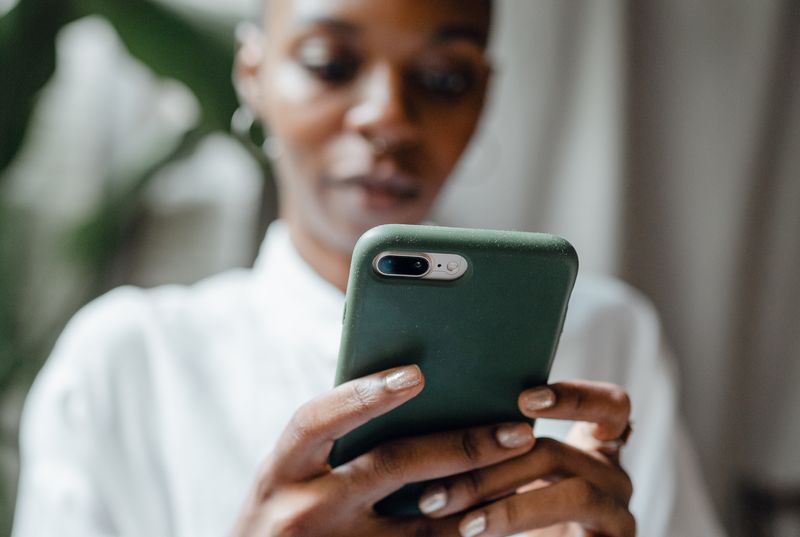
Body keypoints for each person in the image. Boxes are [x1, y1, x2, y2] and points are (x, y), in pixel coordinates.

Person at [12, 0, 725, 536]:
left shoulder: (605, 340)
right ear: (252, 74)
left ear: (484, 95)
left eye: (444, 77)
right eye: (330, 64)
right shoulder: (127, 361)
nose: (389, 116)